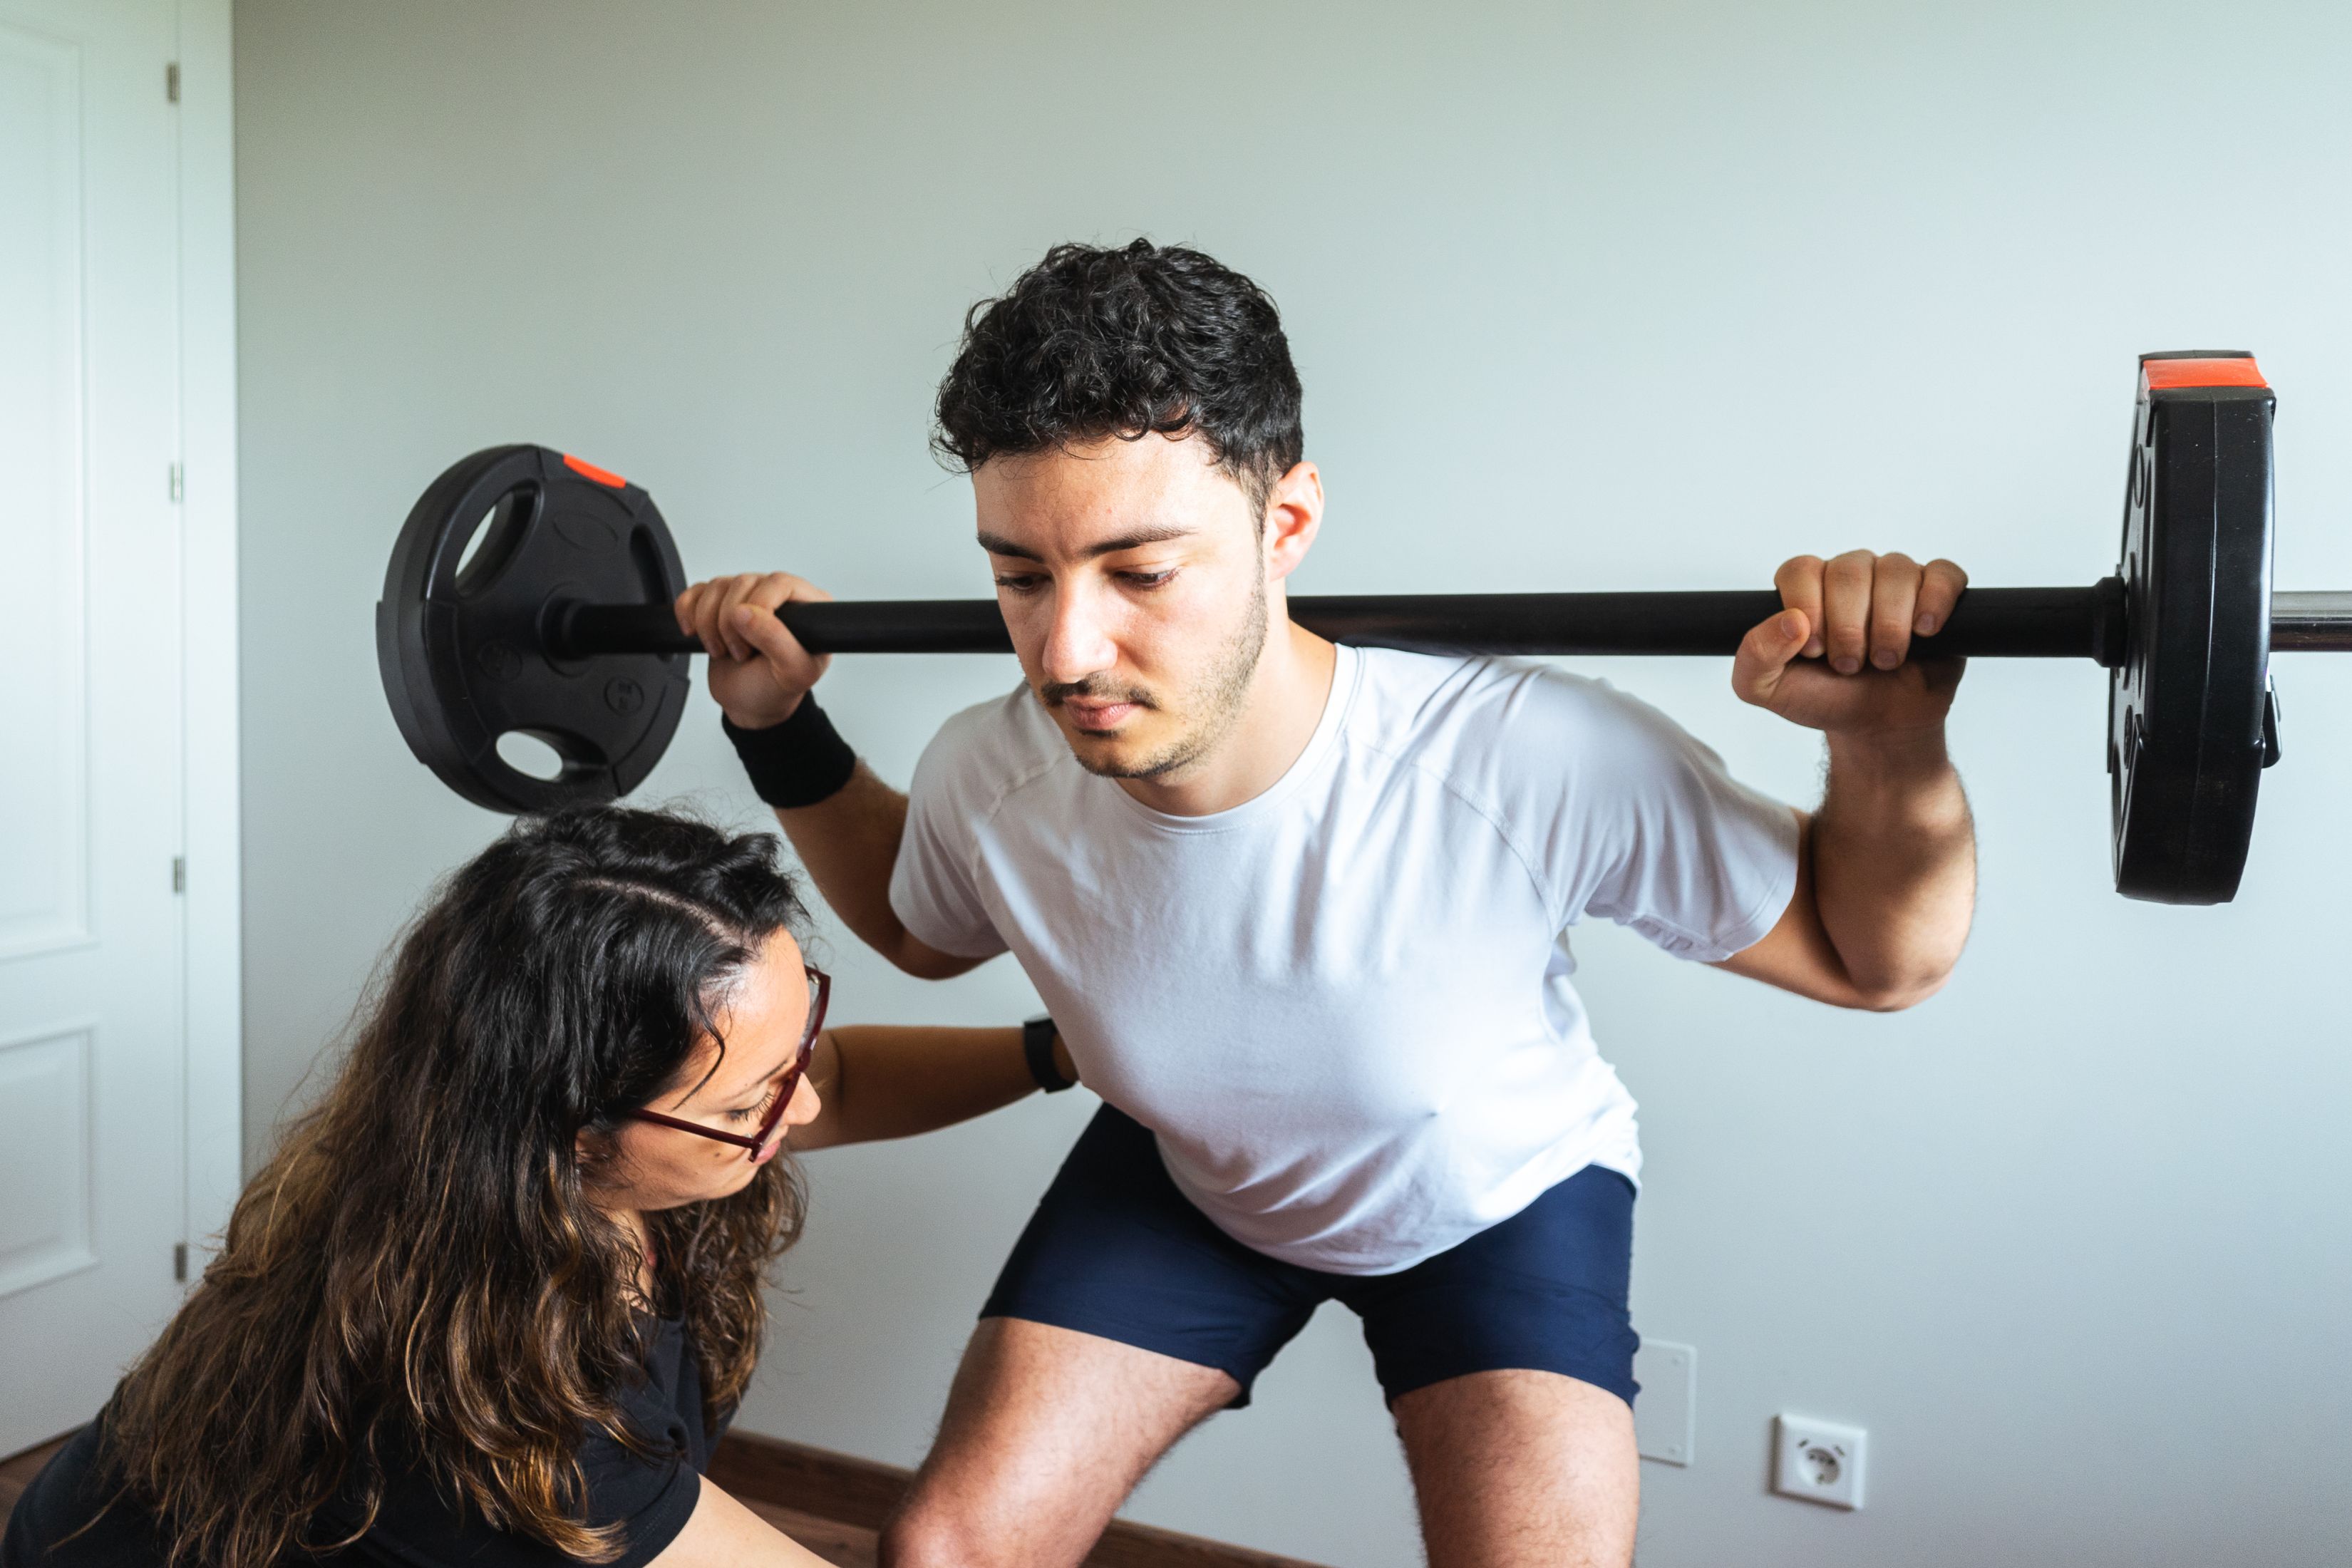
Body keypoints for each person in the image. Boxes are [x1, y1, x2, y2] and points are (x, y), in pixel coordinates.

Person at [675, 239, 1976, 1568]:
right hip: (1191, 1177)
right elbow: (918, 930)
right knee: (947, 1553)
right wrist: (781, 731)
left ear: (1283, 524)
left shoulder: (1521, 758)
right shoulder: (991, 769)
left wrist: (1889, 746)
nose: (1067, 653)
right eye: (1021, 576)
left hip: (1493, 1198)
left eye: (1140, 572)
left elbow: (1873, 960)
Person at [1, 807, 1077, 1568]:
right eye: (756, 1101)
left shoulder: (498, 1167)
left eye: (799, 1046)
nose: (798, 1108)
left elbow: (828, 1084)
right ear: (571, 1131)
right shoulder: (480, 1403)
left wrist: (1068, 1051)